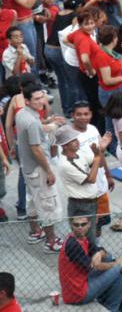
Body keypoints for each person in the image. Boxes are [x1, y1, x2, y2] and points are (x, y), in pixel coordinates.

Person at [16, 83, 64, 253]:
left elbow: (37, 126)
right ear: (27, 101)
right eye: (36, 99)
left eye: (42, 97)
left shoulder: (22, 114)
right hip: (39, 168)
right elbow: (37, 149)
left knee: (32, 200)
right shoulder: (31, 121)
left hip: (27, 168)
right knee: (48, 204)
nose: (41, 101)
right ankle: (51, 241)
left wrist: (49, 122)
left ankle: (35, 231)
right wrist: (49, 171)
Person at [59, 212, 122, 311]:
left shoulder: (83, 238)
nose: (80, 227)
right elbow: (94, 266)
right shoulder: (72, 244)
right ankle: (112, 308)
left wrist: (100, 253)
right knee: (120, 269)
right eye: (76, 225)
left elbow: (101, 252)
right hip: (78, 295)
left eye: (83, 224)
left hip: (82, 283)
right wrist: (114, 264)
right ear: (71, 225)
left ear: (89, 224)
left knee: (107, 258)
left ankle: (110, 305)